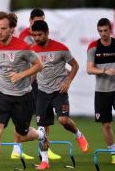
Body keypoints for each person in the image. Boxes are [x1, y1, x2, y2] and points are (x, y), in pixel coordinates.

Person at [0, 11, 49, 171]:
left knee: (22, 135)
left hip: (23, 98)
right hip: (2, 96)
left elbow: (39, 65)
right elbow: (0, 67)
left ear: (12, 29)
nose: (0, 32)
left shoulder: (23, 47)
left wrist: (21, 74)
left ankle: (40, 134)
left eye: (4, 28)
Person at [31, 20, 89, 169]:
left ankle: (78, 135)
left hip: (59, 91)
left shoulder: (61, 48)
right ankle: (45, 161)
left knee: (63, 120)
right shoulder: (32, 50)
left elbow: (75, 65)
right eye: (34, 35)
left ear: (47, 33)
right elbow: (33, 70)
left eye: (40, 35)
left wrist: (68, 81)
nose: (37, 38)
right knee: (42, 129)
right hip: (42, 92)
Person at [11, 8, 61, 160]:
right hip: (29, 80)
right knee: (22, 114)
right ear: (30, 21)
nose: (40, 24)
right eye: (37, 21)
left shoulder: (41, 35)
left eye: (42, 21)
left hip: (42, 81)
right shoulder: (26, 36)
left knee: (45, 116)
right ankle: (16, 148)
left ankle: (44, 148)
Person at [87, 18, 115, 164]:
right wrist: (104, 70)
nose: (103, 34)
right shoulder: (93, 47)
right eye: (100, 31)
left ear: (110, 30)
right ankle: (113, 153)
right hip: (102, 91)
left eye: (105, 30)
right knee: (106, 124)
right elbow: (89, 69)